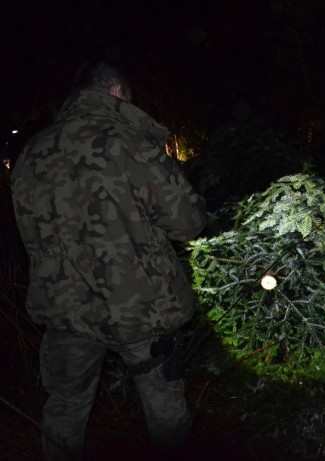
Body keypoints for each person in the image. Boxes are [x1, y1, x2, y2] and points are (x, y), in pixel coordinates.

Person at [10, 60, 206, 459]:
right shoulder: (131, 143)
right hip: (140, 309)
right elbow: (187, 223)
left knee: (65, 411)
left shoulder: (33, 150)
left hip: (65, 310)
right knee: (165, 413)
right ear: (116, 92)